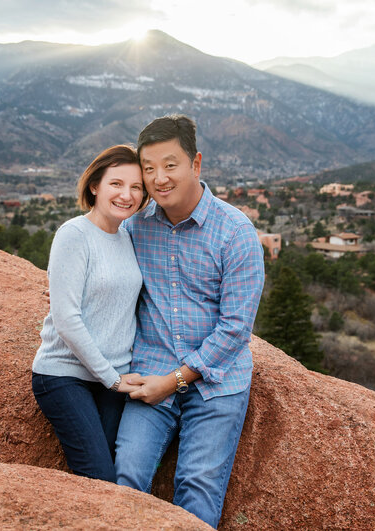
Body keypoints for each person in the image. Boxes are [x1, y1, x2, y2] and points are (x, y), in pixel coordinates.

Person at [115, 115, 265, 528]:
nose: (159, 178)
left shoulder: (235, 233)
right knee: (124, 476)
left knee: (196, 488)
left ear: (196, 164)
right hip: (151, 371)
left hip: (216, 384)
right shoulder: (135, 228)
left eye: (170, 164)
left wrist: (175, 381)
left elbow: (235, 328)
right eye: (148, 169)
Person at [31, 145, 146, 482]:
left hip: (114, 378)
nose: (127, 195)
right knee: (100, 478)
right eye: (116, 184)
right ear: (95, 185)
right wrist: (111, 378)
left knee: (122, 472)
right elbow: (66, 319)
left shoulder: (128, 237)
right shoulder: (74, 235)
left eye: (136, 187)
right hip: (66, 376)